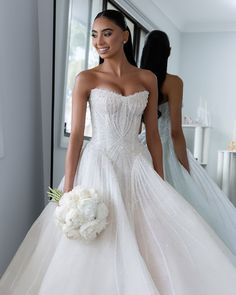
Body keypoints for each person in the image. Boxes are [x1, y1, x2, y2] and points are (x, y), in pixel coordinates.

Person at [1, 10, 236, 295]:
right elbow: (76, 137)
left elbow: (152, 135)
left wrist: (160, 180)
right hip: (99, 164)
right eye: (94, 34)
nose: (99, 41)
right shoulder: (86, 79)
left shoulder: (147, 78)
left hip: (138, 164)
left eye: (107, 33)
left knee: (154, 234)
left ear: (124, 36)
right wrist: (70, 191)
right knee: (98, 237)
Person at [140, 30, 236, 258]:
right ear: (169, 52)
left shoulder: (138, 80)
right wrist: (185, 166)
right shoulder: (173, 82)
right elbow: (175, 131)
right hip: (166, 148)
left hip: (143, 146)